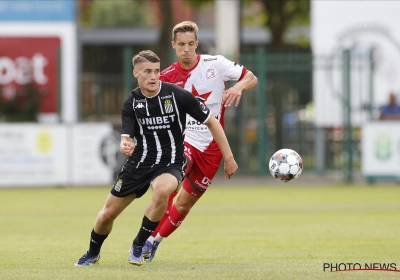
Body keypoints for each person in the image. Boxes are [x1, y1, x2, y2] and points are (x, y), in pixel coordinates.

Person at [75, 50, 238, 266]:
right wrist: (125, 145)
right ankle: (92, 252)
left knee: (163, 190)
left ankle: (139, 243)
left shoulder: (178, 96)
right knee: (107, 214)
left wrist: (229, 157)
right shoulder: (131, 102)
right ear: (136, 73)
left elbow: (212, 122)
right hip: (139, 163)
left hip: (171, 162)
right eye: (147, 72)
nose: (153, 76)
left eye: (156, 71)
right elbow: (127, 138)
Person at [142, 21, 258, 262]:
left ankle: (153, 242)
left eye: (190, 44)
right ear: (174, 46)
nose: (186, 49)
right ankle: (143, 237)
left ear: (196, 44)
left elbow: (251, 77)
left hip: (213, 148)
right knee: (170, 186)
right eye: (181, 44)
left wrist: (238, 87)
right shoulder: (166, 78)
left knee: (184, 205)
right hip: (184, 141)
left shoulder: (216, 64)